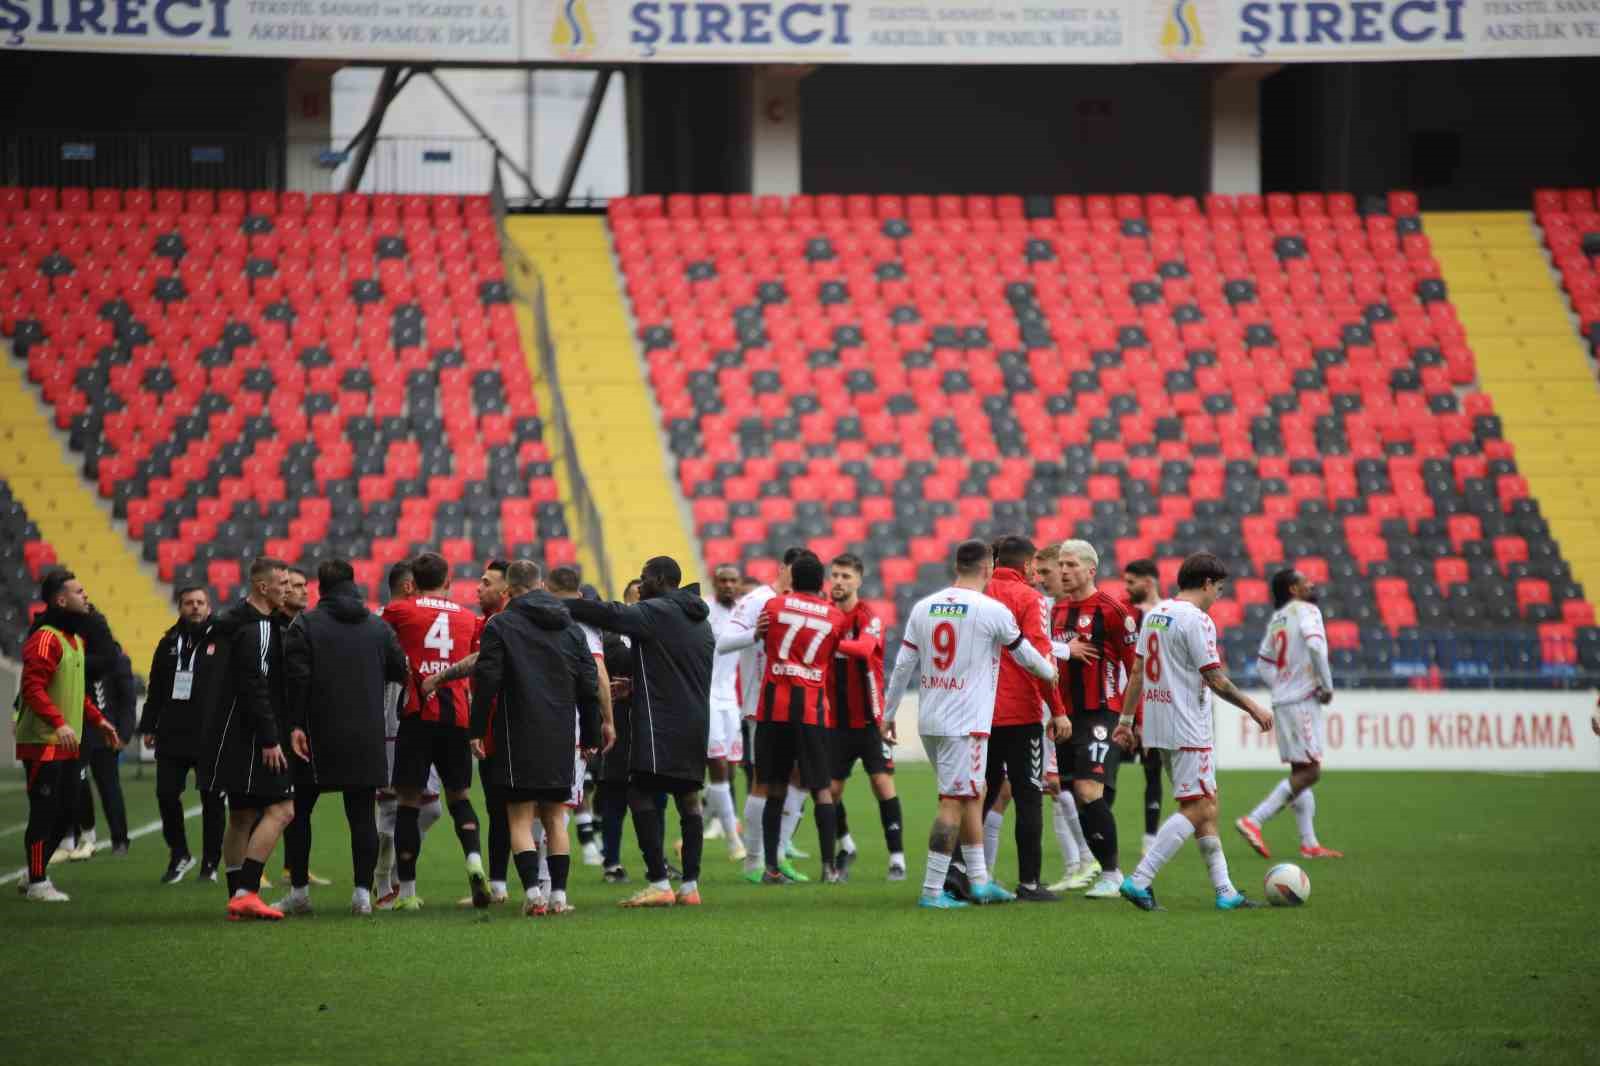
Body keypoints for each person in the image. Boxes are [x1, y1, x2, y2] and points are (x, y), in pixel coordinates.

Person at [882, 540, 1058, 909]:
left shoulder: (924, 607)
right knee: (952, 802)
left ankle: (979, 881)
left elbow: (901, 666)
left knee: (972, 794)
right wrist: (1049, 672)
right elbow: (1026, 654)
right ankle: (932, 891)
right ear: (988, 568)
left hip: (931, 718)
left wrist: (888, 713)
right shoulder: (991, 610)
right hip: (967, 724)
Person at [1113, 552, 1272, 912]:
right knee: (1198, 808)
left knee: (1206, 807)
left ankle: (1225, 890)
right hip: (1188, 726)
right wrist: (1254, 707)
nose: (1219, 596)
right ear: (1206, 584)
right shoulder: (1197, 621)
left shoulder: (1155, 615)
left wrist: (1125, 722)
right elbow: (1214, 678)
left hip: (1158, 724)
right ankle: (1139, 880)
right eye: (1218, 589)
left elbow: (1137, 671)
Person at [568, 555, 714, 908]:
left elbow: (611, 615)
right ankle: (690, 886)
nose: (641, 583)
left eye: (645, 577)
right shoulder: (698, 618)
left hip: (660, 723)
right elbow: (675, 669)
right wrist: (635, 687)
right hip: (694, 722)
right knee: (688, 798)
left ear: (662, 579)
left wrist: (556, 604)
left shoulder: (658, 611)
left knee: (640, 793)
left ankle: (660, 883)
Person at [471, 560, 604, 916]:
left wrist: (477, 728)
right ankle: (558, 894)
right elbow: (588, 685)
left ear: (509, 589)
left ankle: (533, 894)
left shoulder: (501, 624)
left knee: (519, 818)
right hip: (562, 732)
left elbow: (487, 681)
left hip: (517, 731)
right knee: (554, 818)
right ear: (542, 585)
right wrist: (591, 734)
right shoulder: (571, 628)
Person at [279, 558, 410, 916]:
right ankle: (361, 896)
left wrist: (295, 725)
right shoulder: (377, 627)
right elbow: (401, 669)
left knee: (299, 812)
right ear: (353, 584)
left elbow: (297, 680)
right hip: (366, 733)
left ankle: (300, 891)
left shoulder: (305, 624)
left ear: (320, 588)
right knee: (361, 816)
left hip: (316, 735)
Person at [751, 553, 876, 884]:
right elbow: (842, 649)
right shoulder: (835, 617)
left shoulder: (774, 607)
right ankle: (827, 867)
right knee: (821, 788)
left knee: (773, 787)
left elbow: (764, 638)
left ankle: (770, 868)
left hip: (773, 709)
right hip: (812, 711)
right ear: (821, 582)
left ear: (792, 580)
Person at [382, 552, 491, 910]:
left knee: (408, 803)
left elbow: (384, 648)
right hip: (456, 716)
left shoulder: (400, 611)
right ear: (448, 580)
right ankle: (474, 861)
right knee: (459, 796)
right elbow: (478, 661)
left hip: (416, 716)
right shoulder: (468, 618)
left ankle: (408, 894)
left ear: (413, 581)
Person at [196, 557, 297, 921]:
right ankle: (247, 891)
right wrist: (271, 738)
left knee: (240, 815)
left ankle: (236, 898)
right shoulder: (260, 628)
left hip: (224, 732)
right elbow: (256, 686)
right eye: (282, 582)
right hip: (253, 734)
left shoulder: (228, 621)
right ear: (261, 586)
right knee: (283, 809)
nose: (287, 588)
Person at [16, 569, 121, 902]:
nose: (85, 596)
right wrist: (59, 722)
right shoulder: (46, 637)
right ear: (61, 599)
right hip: (43, 743)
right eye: (79, 591)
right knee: (45, 813)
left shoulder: (73, 640)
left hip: (67, 742)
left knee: (66, 816)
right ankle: (36, 882)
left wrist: (98, 720)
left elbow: (78, 692)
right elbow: (32, 687)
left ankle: (34, 872)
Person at [979, 536, 1071, 902]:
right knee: (1029, 795)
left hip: (980, 714)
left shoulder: (978, 591)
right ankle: (1030, 883)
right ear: (1028, 565)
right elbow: (1040, 659)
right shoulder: (1030, 598)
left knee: (977, 795)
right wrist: (1059, 710)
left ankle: (963, 872)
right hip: (1020, 713)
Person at [419, 559, 516, 906]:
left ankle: (527, 887)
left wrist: (441, 677)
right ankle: (521, 886)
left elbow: (478, 659)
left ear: (506, 590)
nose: (478, 587)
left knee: (511, 807)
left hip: (499, 727)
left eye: (486, 582)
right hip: (511, 726)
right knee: (510, 808)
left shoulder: (501, 624)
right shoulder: (493, 622)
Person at [1049, 540, 1138, 900]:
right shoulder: (1056, 612)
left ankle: (1114, 874)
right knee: (1074, 793)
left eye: (1071, 565)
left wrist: (1133, 720)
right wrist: (1054, 713)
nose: (1064, 571)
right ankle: (1101, 867)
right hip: (1067, 717)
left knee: (1088, 790)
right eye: (1061, 564)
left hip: (1103, 712)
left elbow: (1137, 668)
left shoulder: (1113, 611)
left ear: (1090, 569)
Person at [1236, 568, 1344, 860]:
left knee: (1300, 771)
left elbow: (1263, 664)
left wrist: (1283, 685)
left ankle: (1309, 844)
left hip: (1284, 700)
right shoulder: (1308, 610)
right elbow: (1315, 646)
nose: (1311, 583)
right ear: (1293, 590)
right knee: (1311, 771)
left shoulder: (1279, 618)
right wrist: (1326, 685)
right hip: (1301, 702)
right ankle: (1254, 820)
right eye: (1304, 581)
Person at [716, 547, 809, 882]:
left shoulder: (802, 603)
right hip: (762, 705)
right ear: (782, 568)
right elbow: (724, 641)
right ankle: (753, 862)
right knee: (763, 781)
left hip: (797, 704)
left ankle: (779, 853)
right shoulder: (757, 599)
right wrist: (754, 633)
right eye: (793, 570)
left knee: (800, 777)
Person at [826, 553, 906, 882]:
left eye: (846, 576)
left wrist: (829, 641)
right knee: (830, 792)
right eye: (835, 576)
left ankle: (898, 859)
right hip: (835, 721)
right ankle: (846, 845)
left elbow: (863, 648)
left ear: (858, 580)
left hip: (871, 719)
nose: (839, 582)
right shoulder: (826, 614)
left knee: (881, 783)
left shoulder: (868, 615)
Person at [142, 585, 227, 884]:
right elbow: (156, 688)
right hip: (173, 733)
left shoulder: (223, 639)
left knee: (213, 801)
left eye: (200, 602)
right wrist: (148, 725)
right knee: (166, 795)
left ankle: (211, 862)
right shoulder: (167, 643)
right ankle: (179, 854)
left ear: (209, 607)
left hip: (210, 734)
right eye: (189, 603)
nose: (195, 607)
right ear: (180, 607)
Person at [1031, 544, 1092, 894]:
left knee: (1056, 785)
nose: (1044, 579)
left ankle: (1085, 860)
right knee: (1055, 786)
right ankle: (1078, 864)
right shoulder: (1049, 607)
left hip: (1060, 710)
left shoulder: (1071, 610)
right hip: (1049, 706)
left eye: (1048, 572)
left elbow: (1033, 645)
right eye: (1039, 573)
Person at [71, 605, 134, 859]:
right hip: (76, 732)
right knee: (76, 785)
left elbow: (127, 699)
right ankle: (82, 836)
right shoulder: (73, 654)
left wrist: (125, 734)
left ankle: (120, 839)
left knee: (109, 788)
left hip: (104, 733)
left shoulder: (115, 657)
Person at [595, 580, 641, 882]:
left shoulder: (658, 638)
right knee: (614, 795)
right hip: (618, 724)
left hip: (649, 726)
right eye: (637, 598)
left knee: (653, 798)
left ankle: (657, 860)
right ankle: (611, 862)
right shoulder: (610, 640)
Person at [702, 563, 746, 858]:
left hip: (731, 700)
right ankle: (734, 840)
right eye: (723, 581)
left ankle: (699, 825)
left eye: (733, 581)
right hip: (706, 698)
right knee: (717, 766)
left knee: (729, 769)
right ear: (715, 583)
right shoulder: (703, 609)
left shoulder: (744, 612)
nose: (729, 585)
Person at [1120, 557, 1163, 857]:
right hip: (1124, 707)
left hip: (1156, 709)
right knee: (1101, 776)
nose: (1126, 588)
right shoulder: (1125, 615)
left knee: (1153, 772)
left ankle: (1150, 839)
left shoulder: (1166, 615)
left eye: (1131, 582)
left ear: (1148, 583)